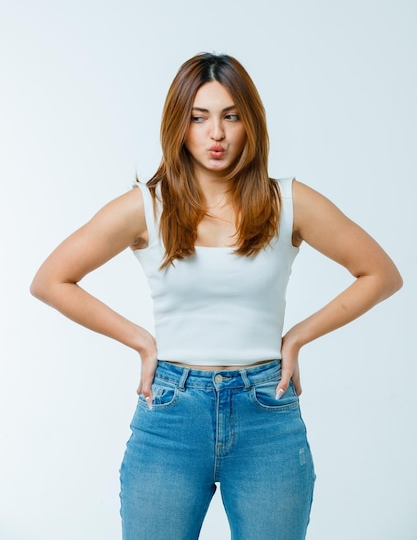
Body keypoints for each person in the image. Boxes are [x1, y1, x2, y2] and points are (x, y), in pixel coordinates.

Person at [30, 52, 402, 540]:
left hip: (266, 413)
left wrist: (295, 340)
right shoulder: (147, 207)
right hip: (170, 415)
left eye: (231, 116)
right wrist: (142, 341)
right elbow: (50, 280)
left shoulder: (288, 201)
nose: (216, 134)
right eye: (199, 117)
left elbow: (380, 273)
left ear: (251, 122)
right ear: (178, 125)